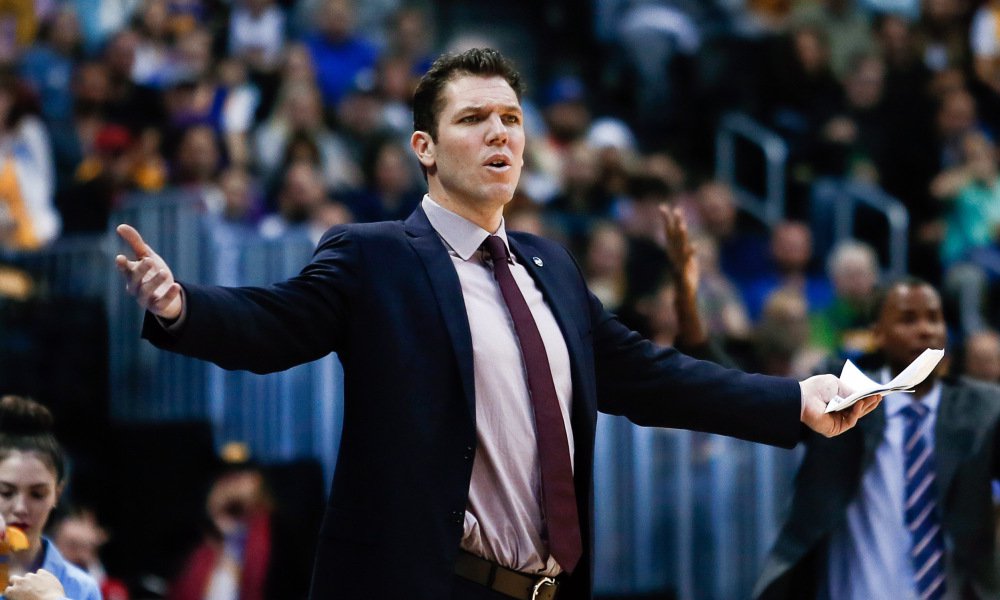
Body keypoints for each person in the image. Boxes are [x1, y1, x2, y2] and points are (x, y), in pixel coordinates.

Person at [115, 48, 879, 600]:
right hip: (429, 585)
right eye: (473, 118)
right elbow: (274, 323)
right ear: (424, 147)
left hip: (545, 590)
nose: (499, 134)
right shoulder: (375, 256)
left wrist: (796, 401)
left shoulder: (552, 265)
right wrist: (182, 304)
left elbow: (652, 377)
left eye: (511, 118)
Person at [754, 278, 1000, 600]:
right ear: (878, 334)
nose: (925, 329)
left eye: (934, 317)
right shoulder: (843, 398)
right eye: (908, 319)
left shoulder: (982, 409)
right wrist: (694, 330)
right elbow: (756, 404)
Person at [0, 395, 100, 600]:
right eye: (6, 492)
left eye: (37, 494)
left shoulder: (82, 587)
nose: (20, 507)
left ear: (57, 493)